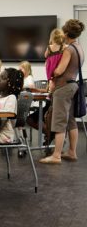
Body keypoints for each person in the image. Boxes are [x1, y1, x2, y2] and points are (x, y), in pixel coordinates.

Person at [40, 19, 85, 164]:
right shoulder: (79, 47)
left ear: (66, 33)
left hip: (63, 88)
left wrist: (51, 74)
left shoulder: (69, 49)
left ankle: (56, 155)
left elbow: (59, 70)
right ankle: (72, 152)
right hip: (73, 86)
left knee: (59, 121)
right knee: (71, 120)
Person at [26, 29, 66, 132]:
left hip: (51, 75)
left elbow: (45, 56)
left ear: (52, 37)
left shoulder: (49, 47)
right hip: (57, 76)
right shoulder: (64, 48)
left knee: (47, 105)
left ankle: (48, 133)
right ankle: (49, 134)